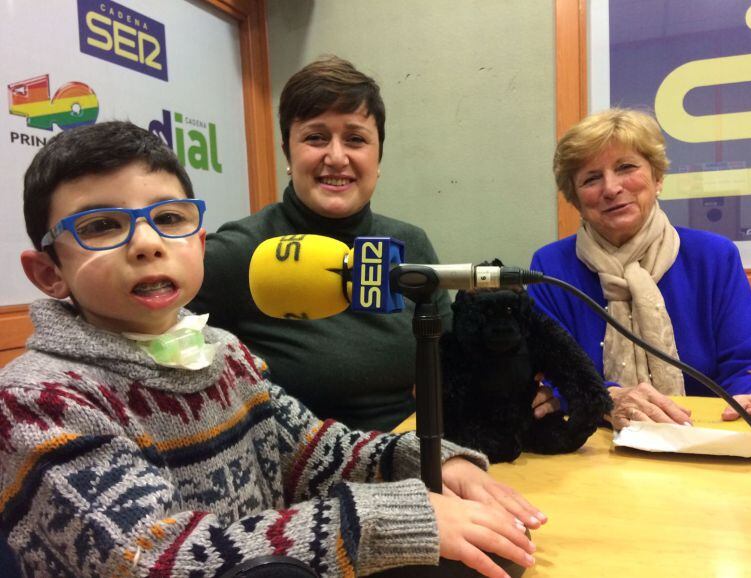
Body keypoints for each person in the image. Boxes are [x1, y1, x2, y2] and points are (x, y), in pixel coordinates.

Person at [0, 121, 546, 578]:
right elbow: (151, 560)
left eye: (169, 218)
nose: (147, 243)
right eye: (100, 225)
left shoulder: (222, 353)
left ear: (198, 239)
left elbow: (313, 451)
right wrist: (377, 521)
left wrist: (425, 462)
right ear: (49, 273)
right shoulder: (37, 400)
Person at [189, 56, 451, 432]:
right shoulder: (239, 252)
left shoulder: (411, 244)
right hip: (300, 475)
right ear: (288, 154)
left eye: (356, 139)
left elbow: (453, 362)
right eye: (315, 137)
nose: (337, 157)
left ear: (378, 157)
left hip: (408, 451)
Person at [527, 108, 751, 459]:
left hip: (708, 446)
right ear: (575, 198)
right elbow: (544, 380)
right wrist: (605, 398)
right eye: (591, 178)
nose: (611, 188)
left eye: (626, 167)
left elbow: (748, 364)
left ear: (657, 178)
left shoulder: (714, 256)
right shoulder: (549, 267)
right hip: (594, 451)